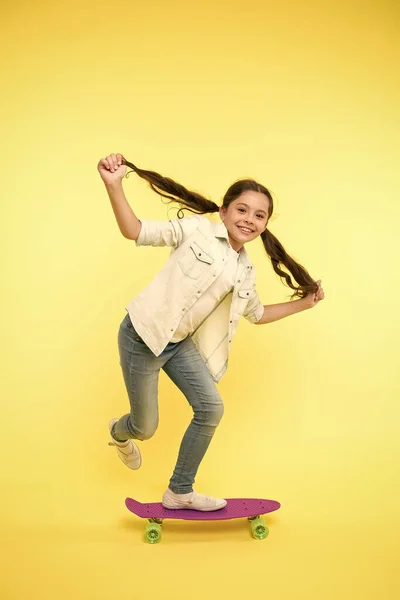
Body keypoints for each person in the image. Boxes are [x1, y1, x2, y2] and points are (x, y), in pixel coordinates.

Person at [97, 152, 325, 512]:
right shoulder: (197, 229)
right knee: (144, 428)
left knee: (210, 408)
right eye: (242, 209)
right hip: (142, 337)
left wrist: (305, 303)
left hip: (178, 345)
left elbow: (259, 313)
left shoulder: (245, 270)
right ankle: (118, 432)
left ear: (265, 224)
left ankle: (179, 491)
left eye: (259, 215)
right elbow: (135, 230)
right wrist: (113, 185)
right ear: (224, 211)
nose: (249, 219)